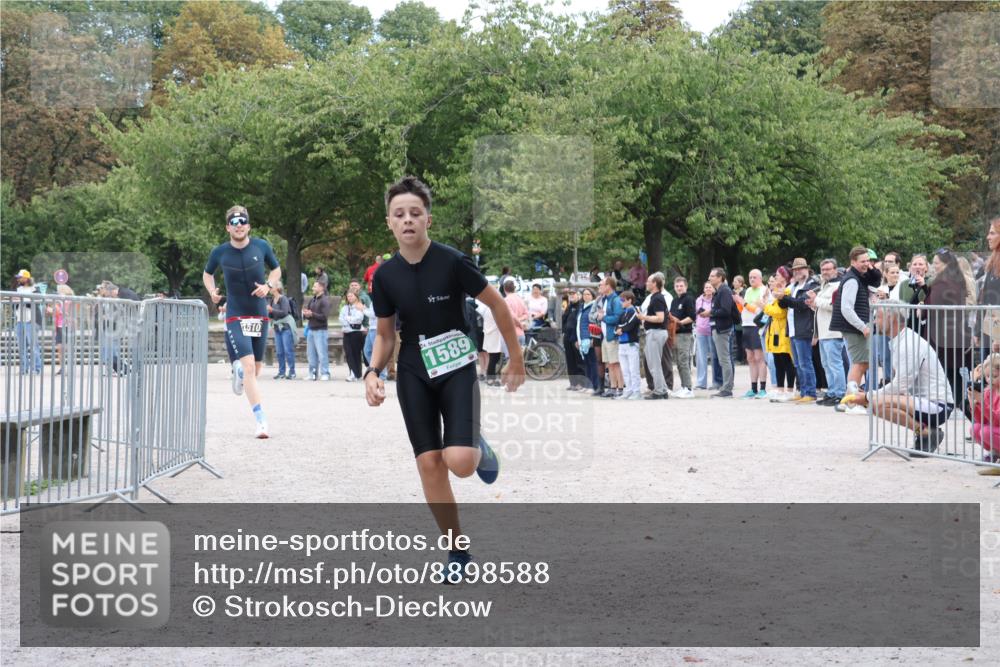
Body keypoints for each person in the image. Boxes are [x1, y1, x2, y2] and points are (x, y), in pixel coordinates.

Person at [365, 176, 524, 580]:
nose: (407, 221)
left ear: (428, 220)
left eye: (415, 214)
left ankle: (474, 445)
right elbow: (385, 335)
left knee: (460, 464)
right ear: (389, 222)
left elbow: (499, 308)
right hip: (414, 372)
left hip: (456, 369)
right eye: (399, 215)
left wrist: (516, 358)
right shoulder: (384, 277)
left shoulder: (453, 262)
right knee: (430, 465)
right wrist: (372, 371)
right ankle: (457, 553)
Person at [203, 205, 281, 438]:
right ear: (228, 227)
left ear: (249, 225)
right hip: (235, 313)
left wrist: (268, 285)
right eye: (234, 222)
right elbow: (208, 273)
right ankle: (261, 421)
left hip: (258, 313)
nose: (239, 226)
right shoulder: (220, 252)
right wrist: (212, 291)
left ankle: (238, 370)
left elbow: (276, 270)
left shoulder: (262, 246)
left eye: (242, 222)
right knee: (249, 367)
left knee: (255, 369)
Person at [844, 300, 954, 454]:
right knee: (875, 403)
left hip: (938, 406)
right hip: (923, 403)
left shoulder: (908, 343)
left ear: (891, 318)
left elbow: (900, 386)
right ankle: (924, 432)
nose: (875, 321)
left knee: (875, 401)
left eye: (878, 317)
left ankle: (926, 432)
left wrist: (868, 395)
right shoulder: (900, 340)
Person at [830, 246, 882, 408]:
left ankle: (848, 400)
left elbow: (876, 279)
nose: (866, 264)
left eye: (868, 260)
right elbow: (846, 308)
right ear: (853, 262)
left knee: (861, 363)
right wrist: (862, 327)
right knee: (859, 363)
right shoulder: (852, 280)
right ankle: (851, 402)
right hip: (855, 328)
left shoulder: (858, 277)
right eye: (862, 261)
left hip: (855, 327)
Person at [925, 248, 973, 418]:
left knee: (947, 374)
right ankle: (968, 410)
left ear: (945, 265)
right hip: (953, 333)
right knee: (952, 373)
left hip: (943, 336)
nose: (934, 266)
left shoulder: (942, 282)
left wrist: (922, 309)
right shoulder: (957, 279)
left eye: (936, 263)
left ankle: (967, 409)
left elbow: (933, 305)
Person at [780, 258, 820, 403]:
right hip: (793, 328)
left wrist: (784, 297)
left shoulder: (812, 285)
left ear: (807, 269)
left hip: (804, 327)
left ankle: (810, 392)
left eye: (801, 269)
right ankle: (803, 390)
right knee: (797, 363)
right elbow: (785, 304)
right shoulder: (794, 285)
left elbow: (802, 303)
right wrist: (780, 297)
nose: (797, 271)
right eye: (795, 270)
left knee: (805, 362)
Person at [812, 259, 848, 407]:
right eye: (823, 269)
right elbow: (821, 307)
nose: (825, 272)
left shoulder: (838, 286)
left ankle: (839, 393)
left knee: (835, 364)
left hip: (834, 332)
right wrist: (813, 304)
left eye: (828, 269)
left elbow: (834, 306)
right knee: (826, 365)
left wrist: (816, 300)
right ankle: (832, 391)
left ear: (835, 270)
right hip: (824, 332)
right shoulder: (824, 286)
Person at [735, 269, 769, 398]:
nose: (752, 279)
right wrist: (738, 303)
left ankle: (763, 388)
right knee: (750, 358)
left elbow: (758, 310)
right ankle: (753, 388)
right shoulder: (748, 290)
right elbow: (744, 308)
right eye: (750, 277)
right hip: (746, 325)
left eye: (755, 277)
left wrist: (743, 302)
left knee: (759, 357)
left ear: (760, 278)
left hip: (756, 326)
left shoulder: (764, 290)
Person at [639, 272, 673, 396]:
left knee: (655, 364)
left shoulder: (658, 298)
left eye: (648, 281)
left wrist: (643, 317)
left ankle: (659, 391)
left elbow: (660, 318)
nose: (646, 283)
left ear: (654, 284)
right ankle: (663, 389)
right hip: (654, 332)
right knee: (653, 362)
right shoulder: (655, 297)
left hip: (656, 332)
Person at [764, 273, 796, 402]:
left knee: (786, 360)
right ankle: (779, 389)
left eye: (777, 276)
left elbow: (779, 312)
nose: (774, 279)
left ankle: (789, 390)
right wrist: (767, 305)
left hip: (784, 330)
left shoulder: (787, 291)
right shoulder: (775, 292)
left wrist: (764, 306)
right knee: (777, 361)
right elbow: (773, 309)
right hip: (775, 330)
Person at [705, 267, 736, 397]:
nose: (709, 278)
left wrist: (710, 312)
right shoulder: (719, 291)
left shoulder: (724, 291)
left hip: (723, 329)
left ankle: (727, 388)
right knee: (723, 359)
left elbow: (725, 310)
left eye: (712, 276)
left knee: (724, 359)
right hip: (718, 328)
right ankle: (725, 386)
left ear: (720, 277)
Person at [969, 353, 1000, 474]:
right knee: (975, 428)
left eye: (994, 376)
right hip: (996, 429)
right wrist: (974, 404)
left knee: (986, 431)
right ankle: (995, 453)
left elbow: (997, 420)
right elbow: (981, 420)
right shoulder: (988, 391)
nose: (990, 380)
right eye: (987, 376)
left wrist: (982, 402)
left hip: (997, 427)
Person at [596, 276, 624, 398]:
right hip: (606, 336)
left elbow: (618, 317)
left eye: (602, 284)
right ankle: (613, 388)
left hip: (612, 336)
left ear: (608, 286)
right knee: (609, 364)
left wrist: (604, 318)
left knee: (615, 363)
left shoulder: (615, 300)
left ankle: (620, 388)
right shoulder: (605, 299)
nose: (600, 287)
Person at [668, 276, 697, 398]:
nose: (679, 288)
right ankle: (684, 386)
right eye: (677, 286)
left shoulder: (689, 299)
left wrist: (679, 322)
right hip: (675, 334)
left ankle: (689, 388)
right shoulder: (674, 301)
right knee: (679, 362)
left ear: (686, 287)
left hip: (685, 333)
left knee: (684, 361)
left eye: (681, 286)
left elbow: (692, 317)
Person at [13, 270, 43, 375]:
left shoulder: (35, 289)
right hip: (20, 320)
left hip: (32, 320)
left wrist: (22, 299)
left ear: (26, 278)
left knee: (33, 346)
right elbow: (15, 303)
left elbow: (37, 301)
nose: (18, 279)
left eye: (20, 277)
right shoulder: (18, 289)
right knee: (21, 347)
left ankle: (36, 368)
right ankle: (24, 368)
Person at [614, 291, 642, 400]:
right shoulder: (623, 312)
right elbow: (617, 325)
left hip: (631, 344)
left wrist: (621, 329)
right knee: (625, 369)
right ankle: (629, 390)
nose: (621, 302)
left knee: (633, 369)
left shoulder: (634, 311)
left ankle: (636, 391)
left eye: (623, 300)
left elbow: (630, 325)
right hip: (622, 344)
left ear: (629, 300)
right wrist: (618, 330)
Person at [302, 280, 332, 381]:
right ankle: (312, 373)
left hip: (321, 331)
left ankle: (325, 373)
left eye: (315, 286)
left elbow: (324, 317)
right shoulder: (313, 299)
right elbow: (311, 315)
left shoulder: (325, 300)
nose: (312, 288)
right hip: (311, 329)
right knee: (310, 354)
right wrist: (306, 314)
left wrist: (312, 314)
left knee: (322, 353)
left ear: (321, 288)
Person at [340, 289, 372, 382]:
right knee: (349, 354)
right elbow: (341, 318)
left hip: (356, 333)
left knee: (356, 353)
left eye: (351, 296)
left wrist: (347, 319)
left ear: (356, 297)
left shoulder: (359, 306)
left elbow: (358, 319)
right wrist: (348, 320)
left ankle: (357, 373)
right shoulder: (345, 307)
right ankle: (353, 372)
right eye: (348, 296)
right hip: (347, 332)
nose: (349, 298)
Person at [267, 281, 297, 379]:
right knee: (279, 352)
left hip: (286, 327)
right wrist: (268, 312)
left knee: (288, 351)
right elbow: (272, 315)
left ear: (277, 287)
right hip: (277, 328)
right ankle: (281, 372)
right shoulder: (272, 299)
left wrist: (272, 310)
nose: (269, 288)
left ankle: (292, 372)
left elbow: (284, 312)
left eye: (271, 287)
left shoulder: (283, 298)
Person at [694, 281, 717, 391]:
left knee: (714, 357)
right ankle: (701, 383)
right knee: (701, 358)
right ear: (703, 289)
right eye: (706, 287)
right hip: (701, 330)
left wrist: (708, 312)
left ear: (713, 289)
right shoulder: (699, 300)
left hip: (712, 330)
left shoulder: (716, 299)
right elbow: (696, 313)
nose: (708, 289)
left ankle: (715, 382)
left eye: (710, 287)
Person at [561, 289, 586, 390]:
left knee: (579, 361)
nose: (571, 296)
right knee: (570, 361)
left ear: (579, 295)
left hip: (576, 337)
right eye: (570, 294)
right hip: (567, 336)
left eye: (573, 294)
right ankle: (573, 383)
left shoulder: (581, 306)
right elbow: (564, 320)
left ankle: (581, 383)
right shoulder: (569, 306)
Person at [576, 288, 599, 391]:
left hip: (590, 337)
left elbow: (594, 323)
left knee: (593, 362)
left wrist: (592, 338)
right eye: (584, 294)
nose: (586, 296)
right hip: (582, 337)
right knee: (587, 363)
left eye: (588, 294)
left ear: (592, 296)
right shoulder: (582, 307)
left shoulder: (594, 306)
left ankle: (594, 385)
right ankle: (587, 384)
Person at [501, 279, 529, 361]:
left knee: (510, 360)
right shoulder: (520, 299)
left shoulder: (506, 300)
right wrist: (521, 322)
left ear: (504, 289)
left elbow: (512, 316)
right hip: (521, 333)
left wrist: (518, 322)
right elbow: (527, 314)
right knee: (520, 360)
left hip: (511, 333)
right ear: (514, 288)